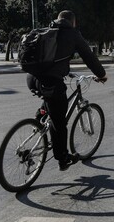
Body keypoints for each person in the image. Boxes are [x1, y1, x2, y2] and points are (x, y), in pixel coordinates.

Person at [26, 10, 108, 171]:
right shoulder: (73, 34)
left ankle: (39, 121)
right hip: (51, 82)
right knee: (59, 123)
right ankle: (63, 158)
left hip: (33, 78)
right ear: (73, 22)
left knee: (50, 104)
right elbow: (89, 57)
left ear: (58, 19)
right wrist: (102, 75)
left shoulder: (46, 30)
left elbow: (52, 57)